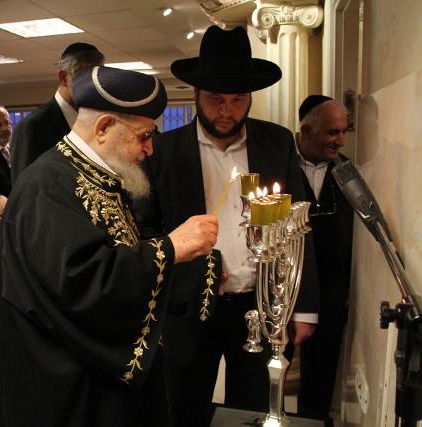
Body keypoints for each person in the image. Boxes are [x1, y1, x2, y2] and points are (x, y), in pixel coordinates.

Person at [0, 66, 220, 427]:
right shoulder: (48, 185)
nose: (150, 149)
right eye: (144, 136)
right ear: (105, 127)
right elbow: (82, 281)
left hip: (90, 376)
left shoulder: (94, 174)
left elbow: (116, 254)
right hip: (63, 387)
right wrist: (170, 248)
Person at [135, 26, 320, 426]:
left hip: (259, 303)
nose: (226, 110)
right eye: (216, 99)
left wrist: (304, 305)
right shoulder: (163, 152)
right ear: (197, 96)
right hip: (189, 306)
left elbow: (299, 224)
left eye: (238, 100)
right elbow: (145, 230)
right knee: (183, 404)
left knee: (251, 409)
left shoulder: (276, 143)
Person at [295, 95, 354, 424]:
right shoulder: (279, 162)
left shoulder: (347, 173)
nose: (340, 141)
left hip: (330, 295)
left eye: (344, 132)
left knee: (320, 377)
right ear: (306, 130)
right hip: (283, 290)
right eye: (333, 132)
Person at [10, 42, 104, 182]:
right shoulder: (32, 127)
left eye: (97, 77)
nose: (93, 85)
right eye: (84, 77)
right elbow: (24, 189)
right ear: (63, 78)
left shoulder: (96, 120)